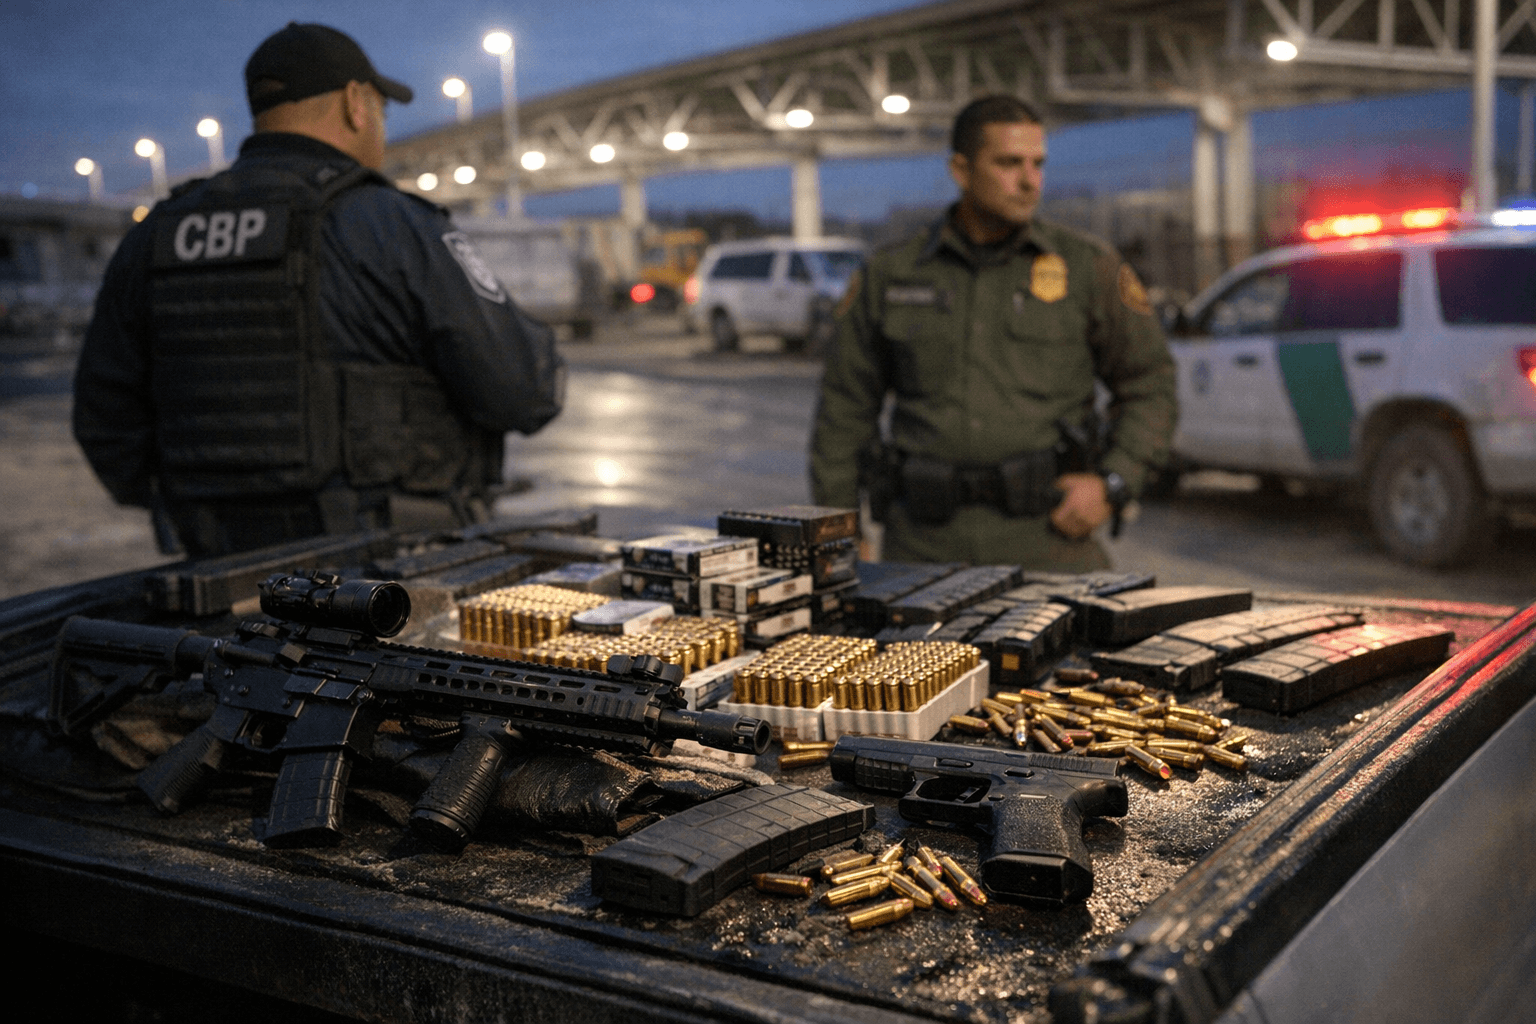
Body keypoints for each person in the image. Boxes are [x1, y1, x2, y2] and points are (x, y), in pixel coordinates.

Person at [73, 23, 565, 557]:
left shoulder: (157, 233)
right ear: (356, 103)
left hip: (219, 571)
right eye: (381, 110)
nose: (381, 128)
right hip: (385, 571)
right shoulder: (389, 222)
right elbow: (520, 389)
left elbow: (105, 422)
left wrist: (209, 508)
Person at [809, 95, 1177, 571]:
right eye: (1008, 163)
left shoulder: (1087, 268)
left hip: (1049, 547)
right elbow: (843, 413)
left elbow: (1151, 384)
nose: (1029, 181)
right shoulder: (892, 275)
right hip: (921, 550)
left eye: (1037, 164)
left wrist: (1114, 483)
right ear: (961, 171)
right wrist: (839, 537)